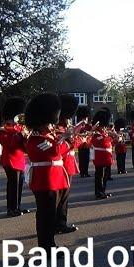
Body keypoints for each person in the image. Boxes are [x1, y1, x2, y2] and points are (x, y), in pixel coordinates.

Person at [24, 93, 71, 254]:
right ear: (42, 122)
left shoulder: (47, 136)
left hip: (55, 179)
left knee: (50, 214)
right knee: (46, 216)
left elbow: (59, 151)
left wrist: (67, 139)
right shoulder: (36, 139)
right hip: (45, 180)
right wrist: (68, 140)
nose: (52, 126)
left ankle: (49, 244)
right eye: (50, 123)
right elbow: (54, 152)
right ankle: (46, 247)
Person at [0, 96, 30, 217]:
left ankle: (17, 206)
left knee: (19, 184)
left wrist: (26, 137)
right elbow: (9, 144)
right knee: (13, 185)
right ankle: (11, 209)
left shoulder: (21, 128)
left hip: (20, 160)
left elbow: (25, 147)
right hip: (10, 160)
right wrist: (19, 134)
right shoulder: (3, 129)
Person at [55, 94, 80, 233]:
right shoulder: (58, 128)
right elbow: (59, 149)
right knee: (59, 198)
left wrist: (73, 137)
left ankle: (61, 222)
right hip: (61, 164)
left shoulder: (67, 126)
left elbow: (73, 144)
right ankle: (57, 224)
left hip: (68, 163)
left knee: (64, 197)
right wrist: (69, 139)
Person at [91, 110, 114, 199]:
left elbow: (108, 142)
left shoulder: (103, 132)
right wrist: (107, 136)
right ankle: (99, 193)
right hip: (100, 156)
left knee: (104, 176)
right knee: (100, 176)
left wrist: (113, 137)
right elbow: (96, 141)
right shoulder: (97, 132)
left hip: (105, 156)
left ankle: (103, 191)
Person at [75, 106, 92, 177]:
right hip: (81, 144)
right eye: (85, 118)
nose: (86, 119)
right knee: (82, 159)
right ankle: (82, 172)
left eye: (86, 118)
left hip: (87, 144)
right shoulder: (79, 126)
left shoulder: (88, 126)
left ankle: (86, 172)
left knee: (87, 159)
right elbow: (76, 133)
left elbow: (91, 132)